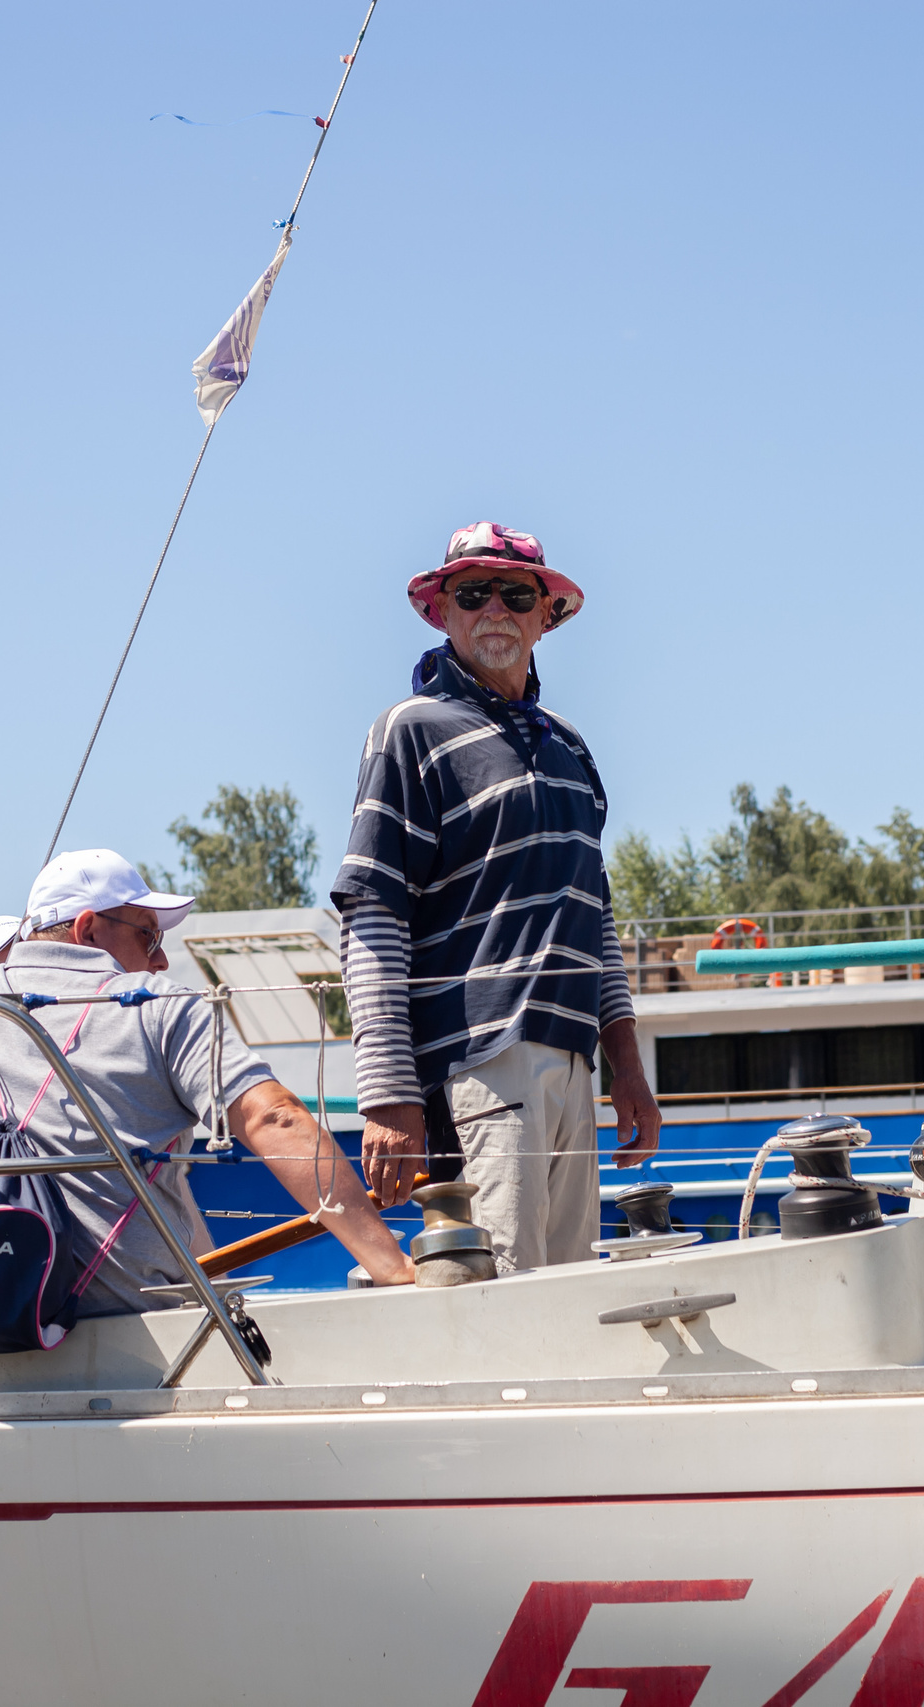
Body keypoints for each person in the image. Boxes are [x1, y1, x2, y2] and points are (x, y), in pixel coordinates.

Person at [0, 849, 414, 1315]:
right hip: (130, 1329)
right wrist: (392, 1268)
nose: (160, 961)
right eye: (148, 936)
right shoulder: (161, 1009)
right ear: (89, 929)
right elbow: (274, 1118)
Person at [332, 521, 661, 1275]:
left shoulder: (570, 748)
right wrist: (386, 1097)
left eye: (516, 594)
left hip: (572, 1065)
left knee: (570, 1287)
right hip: (479, 1063)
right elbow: (374, 916)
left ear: (546, 616)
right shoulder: (408, 730)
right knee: (500, 1292)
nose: (495, 610)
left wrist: (628, 1071)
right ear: (441, 612)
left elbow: (594, 919)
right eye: (471, 592)